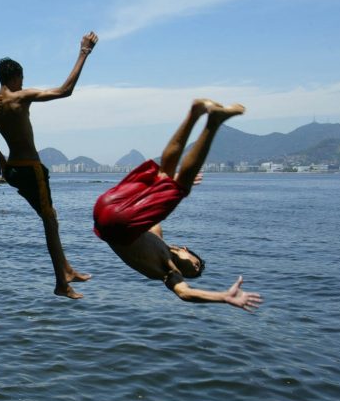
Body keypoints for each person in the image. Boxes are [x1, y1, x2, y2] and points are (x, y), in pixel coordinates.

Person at [93, 99, 263, 312]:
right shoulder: (157, 237)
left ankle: (209, 119)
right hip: (109, 208)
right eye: (196, 264)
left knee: (177, 185)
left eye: (194, 273)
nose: (193, 269)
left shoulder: (168, 270)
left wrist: (223, 297)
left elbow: (184, 293)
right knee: (166, 175)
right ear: (185, 249)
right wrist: (172, 184)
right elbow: (155, 210)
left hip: (110, 217)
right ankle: (197, 114)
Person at [0, 31, 98, 299]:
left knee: (51, 218)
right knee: (50, 221)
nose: (23, 82)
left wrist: (1, 159)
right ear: (16, 77)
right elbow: (64, 91)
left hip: (13, 170)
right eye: (22, 78)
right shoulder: (20, 96)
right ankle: (61, 282)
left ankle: (67, 269)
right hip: (30, 168)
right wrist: (84, 52)